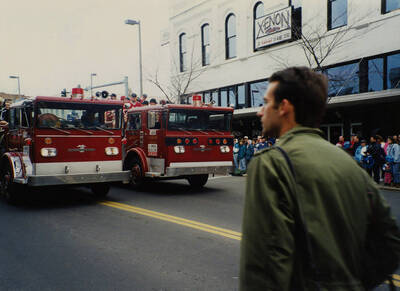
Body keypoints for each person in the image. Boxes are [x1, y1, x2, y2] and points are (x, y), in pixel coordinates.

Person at [240, 66, 400, 290]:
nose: (260, 111)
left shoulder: (270, 163)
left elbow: (265, 266)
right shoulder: (350, 165)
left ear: (284, 107)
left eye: (266, 102)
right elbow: (390, 243)